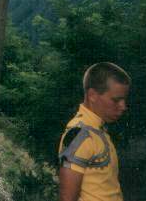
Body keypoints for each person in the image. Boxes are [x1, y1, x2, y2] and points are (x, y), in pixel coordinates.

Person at [58, 62, 131, 201]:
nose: (123, 106)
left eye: (124, 99)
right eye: (116, 100)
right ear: (92, 95)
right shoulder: (80, 134)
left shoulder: (97, 129)